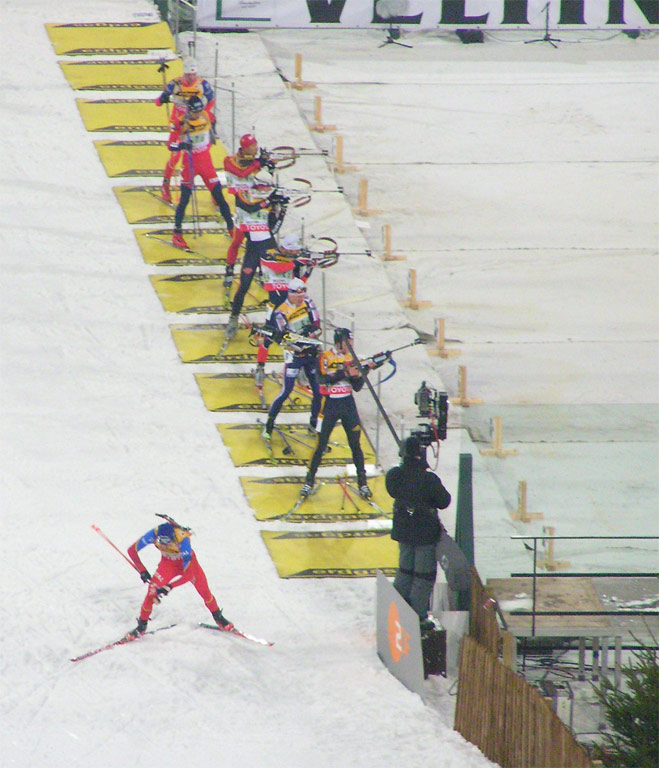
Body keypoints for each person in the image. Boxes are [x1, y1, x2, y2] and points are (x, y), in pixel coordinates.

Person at [126, 516, 233, 637]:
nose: (165, 546)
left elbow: (189, 574)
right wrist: (142, 570)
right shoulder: (154, 534)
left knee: (204, 592)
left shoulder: (182, 539)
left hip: (188, 564)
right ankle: (141, 626)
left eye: (168, 543)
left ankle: (218, 617)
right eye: (162, 543)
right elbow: (132, 550)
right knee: (151, 593)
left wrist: (169, 586)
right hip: (167, 564)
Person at [385, 436, 452, 632]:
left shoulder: (395, 476)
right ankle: (417, 617)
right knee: (423, 575)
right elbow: (444, 501)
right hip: (425, 535)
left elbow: (393, 491)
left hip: (404, 533)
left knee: (405, 571)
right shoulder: (429, 479)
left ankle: (399, 612)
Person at [300, 327, 375, 500]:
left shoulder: (352, 358)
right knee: (320, 444)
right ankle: (308, 481)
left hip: (348, 404)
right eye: (348, 342)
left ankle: (363, 483)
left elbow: (357, 387)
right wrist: (345, 372)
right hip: (329, 404)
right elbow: (322, 380)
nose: (351, 345)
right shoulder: (325, 356)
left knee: (356, 444)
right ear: (339, 342)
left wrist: (365, 371)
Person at [261, 277, 322, 440]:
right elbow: (285, 337)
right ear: (290, 294)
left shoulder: (308, 302)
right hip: (294, 356)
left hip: (310, 353)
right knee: (286, 391)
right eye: (298, 296)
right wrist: (302, 336)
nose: (301, 299)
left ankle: (313, 424)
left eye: (303, 295)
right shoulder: (281, 312)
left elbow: (317, 324)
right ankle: (269, 424)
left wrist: (310, 332)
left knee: (318, 391)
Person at [171, 96, 233, 249]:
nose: (198, 114)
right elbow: (171, 145)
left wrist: (212, 133)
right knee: (184, 199)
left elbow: (213, 120)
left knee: (219, 197)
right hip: (190, 165)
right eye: (195, 112)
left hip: (206, 164)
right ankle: (177, 233)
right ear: (189, 110)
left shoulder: (206, 115)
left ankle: (232, 229)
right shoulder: (181, 122)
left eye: (200, 111)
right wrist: (183, 145)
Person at [155, 58, 216, 204]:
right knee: (175, 155)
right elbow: (158, 102)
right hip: (179, 123)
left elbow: (211, 99)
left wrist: (205, 113)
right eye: (188, 75)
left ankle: (214, 191)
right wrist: (163, 98)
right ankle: (165, 185)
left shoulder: (202, 84)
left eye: (193, 75)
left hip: (196, 122)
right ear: (184, 74)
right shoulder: (175, 83)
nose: (191, 78)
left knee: (204, 154)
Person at [254, 233, 311, 387]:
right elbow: (278, 268)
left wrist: (308, 270)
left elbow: (297, 285)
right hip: (274, 306)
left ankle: (299, 368)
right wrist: (297, 261)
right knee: (268, 337)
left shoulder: (290, 262)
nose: (295, 254)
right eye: (294, 251)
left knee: (297, 337)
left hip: (288, 306)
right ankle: (260, 368)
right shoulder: (269, 254)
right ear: (287, 249)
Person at [222, 133, 274, 292]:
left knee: (260, 242)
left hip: (256, 206)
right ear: (244, 148)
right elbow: (241, 173)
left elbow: (264, 183)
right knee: (237, 242)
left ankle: (262, 272)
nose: (256, 148)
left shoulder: (255, 162)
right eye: (252, 146)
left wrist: (268, 167)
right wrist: (259, 163)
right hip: (242, 205)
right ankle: (229, 270)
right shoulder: (230, 160)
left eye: (256, 145)